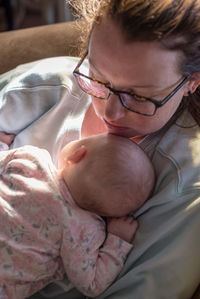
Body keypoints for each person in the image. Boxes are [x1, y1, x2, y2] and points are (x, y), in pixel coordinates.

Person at [0, 0, 200, 298]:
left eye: (137, 96)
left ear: (191, 82)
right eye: (96, 77)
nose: (110, 113)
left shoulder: (186, 184)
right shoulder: (47, 86)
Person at [0, 133, 155, 299]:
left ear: (77, 154)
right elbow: (91, 285)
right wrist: (117, 241)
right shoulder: (84, 231)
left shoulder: (31, 160)